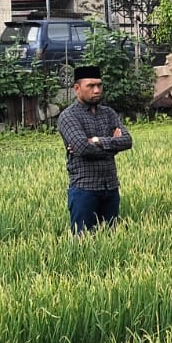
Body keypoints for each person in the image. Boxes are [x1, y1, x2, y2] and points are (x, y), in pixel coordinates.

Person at [57, 65, 133, 234]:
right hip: (84, 189)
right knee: (83, 244)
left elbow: (127, 140)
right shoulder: (68, 116)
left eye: (99, 85)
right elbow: (83, 148)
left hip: (111, 188)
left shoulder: (109, 113)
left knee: (110, 241)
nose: (97, 90)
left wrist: (97, 140)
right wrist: (113, 143)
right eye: (90, 86)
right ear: (77, 88)